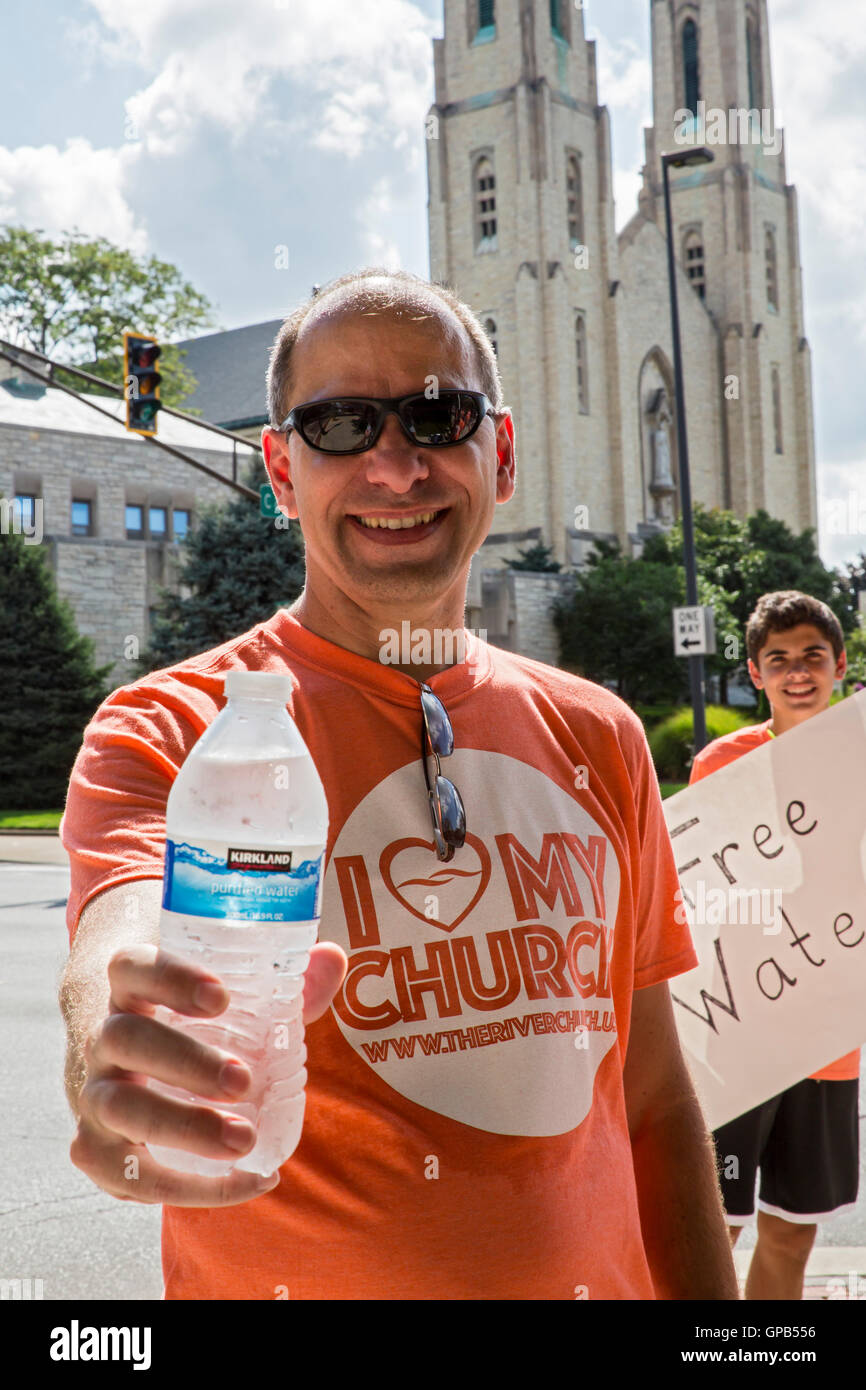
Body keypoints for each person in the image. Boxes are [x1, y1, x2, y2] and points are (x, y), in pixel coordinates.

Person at [59, 267, 738, 1300]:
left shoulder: (601, 735)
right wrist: (116, 1043)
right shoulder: (178, 731)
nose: (392, 462)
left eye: (435, 414)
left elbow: (650, 1100)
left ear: (498, 453)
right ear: (281, 471)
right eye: (338, 424)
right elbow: (121, 936)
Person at [689, 590, 859, 1300]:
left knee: (792, 1230)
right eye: (779, 659)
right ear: (755, 673)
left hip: (830, 1035)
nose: (798, 672)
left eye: (812, 657)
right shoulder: (722, 762)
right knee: (709, 1228)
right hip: (741, 1032)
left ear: (840, 665)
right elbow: (696, 893)